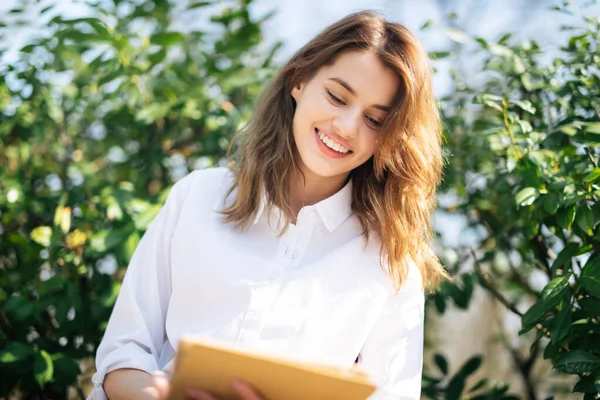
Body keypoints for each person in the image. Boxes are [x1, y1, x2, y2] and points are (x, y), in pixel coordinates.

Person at [89, 9, 449, 400]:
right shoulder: (198, 197)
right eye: (336, 96)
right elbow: (122, 353)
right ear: (300, 80)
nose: (346, 126)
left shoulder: (390, 264)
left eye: (375, 120)